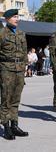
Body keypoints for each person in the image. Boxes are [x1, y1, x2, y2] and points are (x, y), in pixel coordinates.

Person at [0, 9, 29, 140]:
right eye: (14, 17)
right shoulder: (2, 34)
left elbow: (24, 52)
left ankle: (14, 125)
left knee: (16, 100)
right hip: (6, 69)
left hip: (19, 70)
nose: (17, 19)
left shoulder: (21, 33)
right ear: (7, 19)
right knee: (6, 99)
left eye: (18, 17)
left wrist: (24, 68)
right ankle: (6, 127)